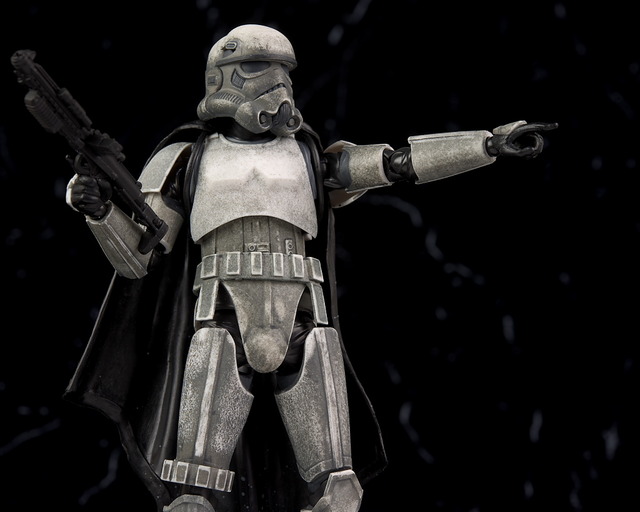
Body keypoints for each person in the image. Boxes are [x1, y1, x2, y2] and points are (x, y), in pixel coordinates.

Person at [64, 24, 556, 512]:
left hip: (303, 312)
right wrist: (100, 211)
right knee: (194, 488)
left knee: (338, 486)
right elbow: (141, 258)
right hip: (219, 312)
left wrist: (486, 146)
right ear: (222, 77)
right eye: (259, 68)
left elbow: (397, 165)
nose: (277, 83)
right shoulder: (185, 160)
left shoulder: (308, 155)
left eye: (285, 72)